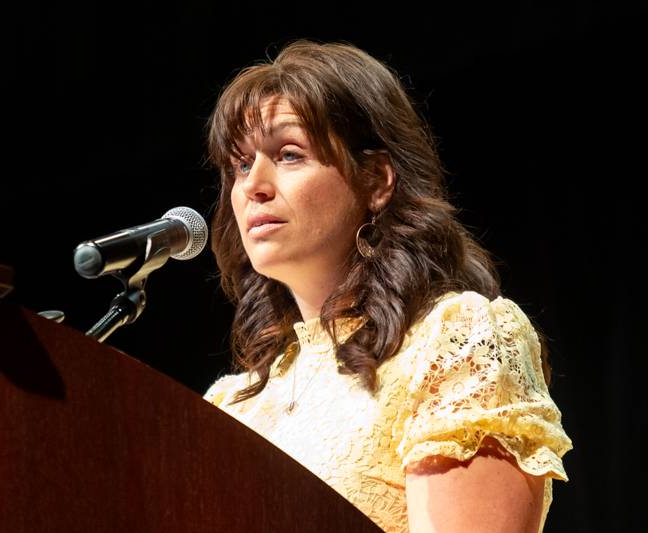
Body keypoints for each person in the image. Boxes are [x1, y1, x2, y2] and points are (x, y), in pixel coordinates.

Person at [202, 40, 572, 533]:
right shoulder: (230, 404)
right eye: (241, 165)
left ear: (375, 181)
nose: (252, 186)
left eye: (289, 155)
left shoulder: (455, 343)